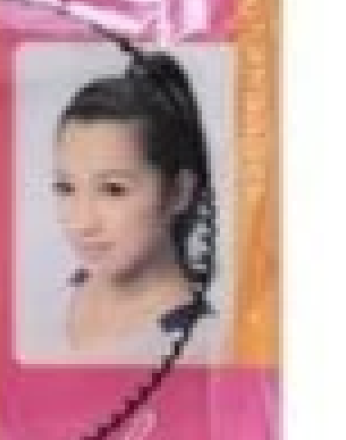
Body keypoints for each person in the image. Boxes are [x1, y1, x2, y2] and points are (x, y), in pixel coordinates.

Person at [44, 51, 222, 362]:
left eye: (113, 189)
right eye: (66, 188)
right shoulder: (58, 293)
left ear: (179, 192)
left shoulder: (200, 349)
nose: (82, 223)